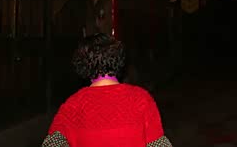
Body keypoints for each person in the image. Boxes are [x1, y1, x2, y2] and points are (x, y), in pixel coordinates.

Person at [43, 33, 172, 147]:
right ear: (119, 60)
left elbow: (52, 143)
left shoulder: (73, 105)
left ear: (82, 65)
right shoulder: (141, 99)